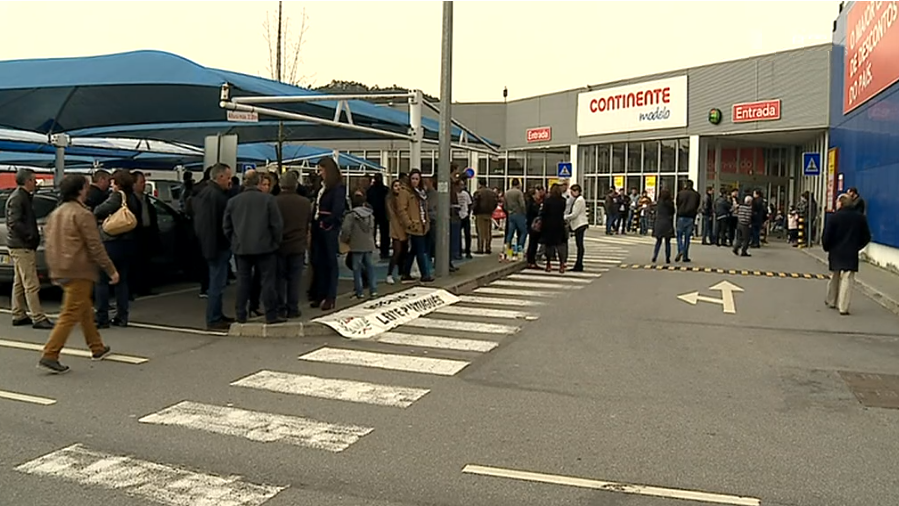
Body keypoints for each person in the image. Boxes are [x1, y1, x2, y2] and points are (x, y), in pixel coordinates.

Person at [38, 174, 120, 374]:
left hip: (61, 266)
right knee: (70, 313)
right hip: (79, 268)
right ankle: (50, 354)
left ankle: (97, 347)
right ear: (81, 190)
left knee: (83, 309)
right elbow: (95, 246)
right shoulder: (82, 214)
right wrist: (111, 270)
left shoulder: (56, 213)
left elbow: (50, 243)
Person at [223, 170, 285, 324]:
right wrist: (275, 242)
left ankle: (240, 314)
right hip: (265, 247)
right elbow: (277, 225)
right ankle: (271, 314)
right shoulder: (268, 200)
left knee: (243, 282)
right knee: (267, 281)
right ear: (258, 183)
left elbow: (226, 226)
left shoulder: (233, 201)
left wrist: (234, 240)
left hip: (241, 247)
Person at [93, 169, 142, 328]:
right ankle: (122, 316)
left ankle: (102, 317)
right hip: (129, 244)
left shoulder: (117, 196)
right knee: (122, 281)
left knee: (102, 280)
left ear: (118, 183)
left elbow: (99, 210)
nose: (111, 185)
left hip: (112, 243)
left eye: (113, 182)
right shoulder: (134, 198)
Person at [6, 168, 53, 329]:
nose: (36, 182)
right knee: (31, 282)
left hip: (19, 244)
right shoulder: (19, 199)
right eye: (34, 180)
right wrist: (30, 236)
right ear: (27, 181)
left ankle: (18, 313)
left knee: (19, 281)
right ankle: (38, 316)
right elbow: (14, 222)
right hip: (22, 245)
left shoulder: (21, 197)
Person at [192, 164, 234, 331]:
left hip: (212, 245)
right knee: (217, 284)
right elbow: (214, 224)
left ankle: (217, 314)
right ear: (220, 177)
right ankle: (214, 318)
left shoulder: (207, 194)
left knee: (218, 283)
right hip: (217, 246)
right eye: (228, 177)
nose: (230, 181)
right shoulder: (215, 196)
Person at [822, 193, 871, 316]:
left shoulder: (834, 217)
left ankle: (831, 300)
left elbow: (827, 235)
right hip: (851, 252)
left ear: (841, 203)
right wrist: (857, 247)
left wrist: (827, 247)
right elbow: (866, 236)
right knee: (847, 279)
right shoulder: (859, 218)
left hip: (836, 251)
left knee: (835, 275)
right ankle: (843, 307)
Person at [309, 157, 347, 311]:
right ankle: (320, 293)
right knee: (318, 260)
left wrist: (327, 222)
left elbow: (338, 209)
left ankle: (330, 297)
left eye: (321, 170)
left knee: (330, 261)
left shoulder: (337, 188)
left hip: (327, 227)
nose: (319, 173)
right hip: (318, 225)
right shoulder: (322, 187)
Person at [274, 171, 310, 319]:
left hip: (279, 245)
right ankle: (293, 307)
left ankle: (280, 307)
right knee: (294, 279)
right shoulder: (305, 203)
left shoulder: (274, 201)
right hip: (297, 245)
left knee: (279, 279)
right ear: (295, 185)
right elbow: (307, 223)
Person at [397, 169, 434, 282]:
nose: (414, 181)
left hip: (423, 224)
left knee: (414, 250)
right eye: (413, 178)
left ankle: (405, 272)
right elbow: (402, 209)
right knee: (420, 251)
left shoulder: (421, 192)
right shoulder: (405, 192)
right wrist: (409, 223)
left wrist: (427, 221)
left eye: (417, 179)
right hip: (414, 225)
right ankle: (425, 274)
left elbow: (424, 208)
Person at [341, 192, 378, 299]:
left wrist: (344, 241)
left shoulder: (350, 215)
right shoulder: (370, 214)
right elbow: (372, 228)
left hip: (356, 244)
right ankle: (373, 290)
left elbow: (346, 230)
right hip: (369, 243)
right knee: (370, 267)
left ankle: (359, 291)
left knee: (356, 268)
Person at [129, 171, 160, 297]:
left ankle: (145, 288)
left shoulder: (145, 198)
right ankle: (135, 288)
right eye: (141, 182)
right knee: (135, 263)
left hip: (146, 233)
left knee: (146, 262)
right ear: (134, 184)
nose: (144, 185)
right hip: (136, 233)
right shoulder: (130, 199)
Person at [386, 176, 410, 284]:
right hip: (395, 228)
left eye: (400, 186)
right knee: (397, 251)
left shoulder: (404, 198)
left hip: (404, 227)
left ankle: (401, 273)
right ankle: (389, 273)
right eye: (395, 186)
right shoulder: (390, 199)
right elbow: (391, 215)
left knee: (404, 251)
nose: (398, 188)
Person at [540, 184, 568, 273]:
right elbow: (563, 211)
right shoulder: (563, 201)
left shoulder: (547, 201)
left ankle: (548, 264)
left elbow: (543, 213)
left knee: (549, 246)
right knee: (560, 246)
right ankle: (561, 265)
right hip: (559, 224)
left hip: (548, 225)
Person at [674, 179, 701, 262]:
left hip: (681, 216)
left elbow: (677, 204)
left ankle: (680, 249)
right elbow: (697, 205)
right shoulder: (696, 195)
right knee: (687, 237)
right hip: (691, 217)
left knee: (679, 235)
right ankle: (685, 256)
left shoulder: (680, 193)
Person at [564, 184, 588, 272]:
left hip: (579, 224)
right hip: (580, 224)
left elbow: (575, 214)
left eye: (572, 192)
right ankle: (579, 263)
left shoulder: (579, 200)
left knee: (579, 245)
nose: (571, 193)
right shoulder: (579, 199)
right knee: (579, 245)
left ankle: (579, 264)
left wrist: (565, 217)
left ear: (577, 191)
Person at [367, 173, 390, 260]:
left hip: (373, 212)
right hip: (383, 212)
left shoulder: (370, 190)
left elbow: (368, 200)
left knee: (372, 232)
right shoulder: (385, 190)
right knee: (384, 233)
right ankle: (384, 251)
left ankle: (370, 249)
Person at [504, 178, 528, 257]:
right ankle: (520, 249)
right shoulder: (519, 193)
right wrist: (524, 213)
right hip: (519, 214)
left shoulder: (507, 192)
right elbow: (522, 204)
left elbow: (505, 205)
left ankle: (507, 249)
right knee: (523, 232)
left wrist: (508, 211)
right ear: (518, 184)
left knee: (510, 233)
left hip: (510, 214)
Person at [472, 178, 497, 254]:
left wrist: (473, 211)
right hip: (489, 213)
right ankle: (488, 247)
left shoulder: (478, 192)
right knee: (488, 232)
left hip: (480, 213)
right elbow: (495, 203)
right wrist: (492, 210)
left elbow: (475, 204)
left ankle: (480, 248)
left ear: (479, 183)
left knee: (480, 232)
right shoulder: (492, 193)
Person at [651, 189, 675, 264]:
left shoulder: (659, 202)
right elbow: (673, 212)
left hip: (659, 222)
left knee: (658, 241)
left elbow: (654, 210)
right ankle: (667, 258)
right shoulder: (670, 203)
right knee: (667, 242)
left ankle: (655, 256)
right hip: (667, 222)